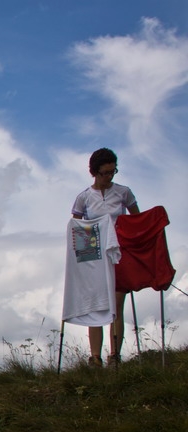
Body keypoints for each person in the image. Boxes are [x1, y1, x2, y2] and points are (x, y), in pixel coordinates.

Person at [71, 147, 140, 366]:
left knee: (117, 303)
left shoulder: (123, 192)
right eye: (105, 173)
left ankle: (115, 356)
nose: (109, 176)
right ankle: (95, 357)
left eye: (113, 171)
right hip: (94, 255)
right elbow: (77, 228)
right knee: (97, 304)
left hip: (119, 253)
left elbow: (137, 220)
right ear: (94, 172)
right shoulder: (83, 198)